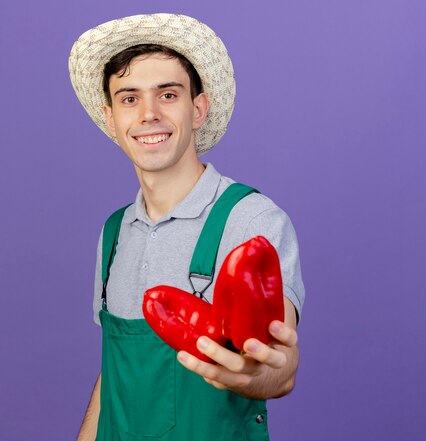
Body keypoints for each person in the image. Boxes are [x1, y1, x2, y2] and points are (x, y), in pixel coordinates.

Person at [68, 13, 305, 440]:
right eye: (129, 98)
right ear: (110, 119)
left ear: (198, 109)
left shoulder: (250, 220)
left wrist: (253, 374)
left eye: (168, 94)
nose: (148, 114)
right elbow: (116, 375)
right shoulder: (114, 232)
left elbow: (278, 364)